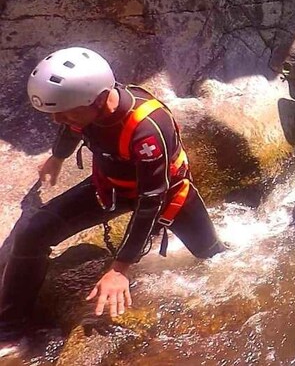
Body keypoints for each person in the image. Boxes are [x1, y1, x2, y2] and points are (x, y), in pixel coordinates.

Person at [0, 48, 224, 347]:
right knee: (31, 235)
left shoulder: (148, 129)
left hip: (166, 194)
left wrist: (120, 269)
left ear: (102, 99)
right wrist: (56, 158)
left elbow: (150, 200)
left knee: (216, 259)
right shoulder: (83, 107)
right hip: (111, 188)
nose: (57, 119)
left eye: (65, 111)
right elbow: (71, 128)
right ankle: (9, 331)